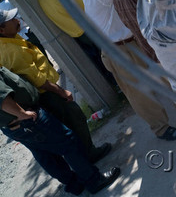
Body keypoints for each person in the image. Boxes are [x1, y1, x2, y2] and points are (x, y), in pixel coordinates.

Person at [81, 0, 176, 141]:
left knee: (166, 79)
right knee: (140, 94)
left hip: (130, 42)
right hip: (120, 50)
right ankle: (161, 128)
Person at [0, 8, 112, 163]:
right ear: (2, 29)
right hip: (46, 93)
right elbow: (36, 79)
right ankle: (89, 157)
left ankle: (85, 159)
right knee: (75, 119)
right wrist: (61, 91)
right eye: (11, 20)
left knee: (69, 125)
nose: (17, 20)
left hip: (42, 94)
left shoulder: (10, 42)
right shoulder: (10, 50)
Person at [0, 66, 120, 195]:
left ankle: (75, 184)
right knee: (68, 142)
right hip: (26, 120)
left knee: (45, 155)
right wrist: (23, 114)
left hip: (12, 125)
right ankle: (94, 180)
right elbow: (2, 99)